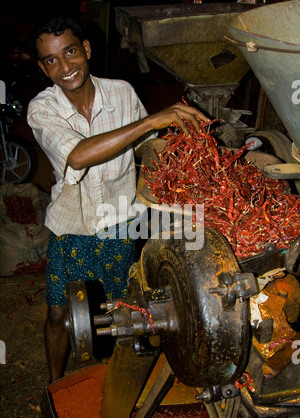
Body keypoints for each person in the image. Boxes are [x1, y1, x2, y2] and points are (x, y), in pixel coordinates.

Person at [27, 14, 208, 383]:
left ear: (87, 49)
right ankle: (55, 384)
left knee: (122, 313)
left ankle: (114, 382)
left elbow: (145, 149)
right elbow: (77, 155)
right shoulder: (41, 109)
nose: (64, 67)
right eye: (51, 60)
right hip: (73, 226)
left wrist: (183, 164)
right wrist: (150, 122)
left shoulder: (122, 93)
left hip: (120, 224)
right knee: (60, 315)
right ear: (43, 68)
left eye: (71, 52)